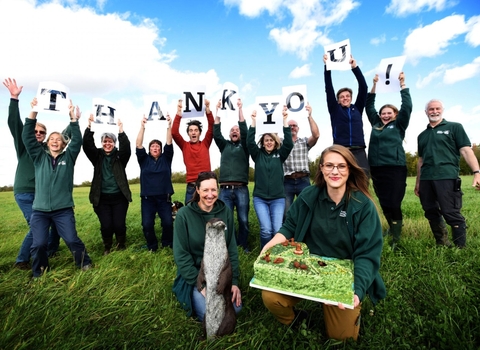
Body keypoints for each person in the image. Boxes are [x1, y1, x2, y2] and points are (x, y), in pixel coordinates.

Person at [261, 145, 386, 341]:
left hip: (342, 276)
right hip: (307, 269)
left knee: (342, 337)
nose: (335, 171)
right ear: (321, 168)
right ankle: (297, 319)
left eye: (341, 166)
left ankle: (346, 312)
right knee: (270, 296)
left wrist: (358, 289)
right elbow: (289, 227)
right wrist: (271, 243)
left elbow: (367, 254)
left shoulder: (363, 206)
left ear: (349, 169)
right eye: (329, 165)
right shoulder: (308, 196)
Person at [22, 98, 92, 277]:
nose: (55, 141)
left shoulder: (68, 158)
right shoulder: (39, 157)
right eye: (51, 139)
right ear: (47, 143)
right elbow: (27, 136)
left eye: (58, 139)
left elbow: (76, 141)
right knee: (38, 244)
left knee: (71, 239)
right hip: (40, 211)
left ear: (63, 144)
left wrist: (72, 118)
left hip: (63, 210)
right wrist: (34, 111)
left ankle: (84, 262)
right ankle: (40, 270)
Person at [4, 78, 63, 269]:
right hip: (25, 192)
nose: (38, 133)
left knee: (54, 222)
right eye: (36, 130)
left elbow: (65, 140)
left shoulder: (47, 151)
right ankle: (22, 260)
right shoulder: (24, 145)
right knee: (38, 226)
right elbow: (15, 123)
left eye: (41, 132)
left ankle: (51, 250)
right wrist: (14, 99)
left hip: (43, 194)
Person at [172, 171, 242, 321]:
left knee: (235, 309)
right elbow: (181, 255)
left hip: (220, 274)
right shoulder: (184, 215)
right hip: (196, 275)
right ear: (197, 190)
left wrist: (233, 281)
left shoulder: (226, 212)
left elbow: (232, 249)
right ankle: (192, 294)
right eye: (205, 190)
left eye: (213, 190)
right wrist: (201, 287)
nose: (210, 195)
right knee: (208, 314)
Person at [415, 100, 480, 248]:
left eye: (437, 108)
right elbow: (421, 160)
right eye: (431, 109)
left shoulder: (454, 127)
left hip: (446, 176)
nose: (434, 111)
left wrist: (477, 172)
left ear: (442, 110)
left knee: (450, 212)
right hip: (426, 179)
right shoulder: (422, 135)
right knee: (430, 211)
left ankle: (460, 248)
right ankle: (442, 243)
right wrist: (418, 182)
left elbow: (466, 151)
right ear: (426, 112)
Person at [366, 72, 412, 249]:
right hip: (377, 169)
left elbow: (407, 106)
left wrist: (403, 85)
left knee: (394, 202)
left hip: (395, 168)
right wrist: (374, 86)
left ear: (395, 114)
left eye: (388, 113)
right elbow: (369, 106)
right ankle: (391, 230)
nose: (385, 115)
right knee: (384, 202)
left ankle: (397, 237)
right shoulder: (376, 124)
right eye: (383, 113)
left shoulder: (399, 124)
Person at [83, 115, 132, 255]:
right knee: (106, 225)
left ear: (114, 143)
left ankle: (121, 244)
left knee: (119, 224)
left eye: (110, 141)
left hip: (119, 198)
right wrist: (89, 127)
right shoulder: (97, 157)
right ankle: (107, 247)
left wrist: (121, 131)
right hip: (102, 199)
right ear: (102, 143)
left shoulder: (120, 157)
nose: (107, 144)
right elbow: (87, 145)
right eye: (105, 141)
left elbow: (126, 148)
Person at [247, 106, 293, 249]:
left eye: (271, 140)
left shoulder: (280, 155)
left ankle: (276, 255)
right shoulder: (257, 155)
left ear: (275, 141)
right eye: (266, 140)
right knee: (266, 230)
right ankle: (264, 255)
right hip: (260, 198)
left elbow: (289, 143)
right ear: (263, 141)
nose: (268, 142)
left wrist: (285, 120)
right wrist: (253, 123)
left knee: (276, 230)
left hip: (277, 199)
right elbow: (249, 142)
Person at [323, 54, 369, 176]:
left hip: (359, 150)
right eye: (342, 97)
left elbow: (364, 87)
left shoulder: (357, 108)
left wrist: (355, 67)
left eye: (347, 96)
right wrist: (327, 67)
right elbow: (329, 88)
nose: (345, 98)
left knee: (362, 181)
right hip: (341, 150)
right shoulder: (335, 109)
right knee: (343, 180)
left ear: (351, 98)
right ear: (338, 100)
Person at [213, 98, 250, 251]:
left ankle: (244, 245)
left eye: (237, 130)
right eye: (232, 130)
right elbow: (216, 132)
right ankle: (229, 245)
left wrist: (240, 108)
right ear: (229, 135)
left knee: (243, 219)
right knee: (225, 221)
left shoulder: (246, 145)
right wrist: (218, 112)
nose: (235, 131)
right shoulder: (224, 146)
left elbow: (245, 129)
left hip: (241, 189)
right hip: (225, 190)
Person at [136, 115, 174, 250]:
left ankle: (167, 244)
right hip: (147, 198)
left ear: (161, 149)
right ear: (149, 149)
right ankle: (152, 246)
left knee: (168, 223)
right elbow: (138, 144)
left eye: (158, 146)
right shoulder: (144, 160)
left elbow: (169, 142)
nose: (155, 148)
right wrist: (142, 127)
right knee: (147, 224)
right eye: (152, 146)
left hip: (164, 197)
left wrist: (169, 125)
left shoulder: (166, 158)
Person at [172, 98, 214, 203]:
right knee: (190, 216)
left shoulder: (205, 143)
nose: (193, 132)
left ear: (200, 133)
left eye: (196, 130)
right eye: (191, 130)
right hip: (192, 187)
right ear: (188, 133)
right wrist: (179, 112)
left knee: (207, 214)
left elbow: (212, 127)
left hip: (206, 185)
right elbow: (174, 133)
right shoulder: (184, 145)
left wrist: (208, 109)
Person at [283, 102, 319, 217]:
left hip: (303, 180)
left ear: (298, 128)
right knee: (286, 213)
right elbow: (269, 134)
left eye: (294, 125)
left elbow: (316, 135)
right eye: (289, 125)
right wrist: (282, 117)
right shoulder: (280, 142)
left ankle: (306, 233)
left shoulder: (304, 141)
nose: (292, 127)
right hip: (286, 181)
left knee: (307, 209)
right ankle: (289, 235)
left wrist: (309, 115)